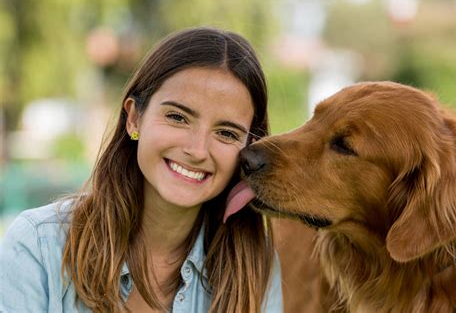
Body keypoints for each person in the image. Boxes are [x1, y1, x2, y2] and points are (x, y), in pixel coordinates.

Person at [0, 27, 282, 313]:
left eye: (226, 133)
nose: (197, 150)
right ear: (134, 117)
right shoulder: (38, 247)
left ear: (248, 148)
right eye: (177, 117)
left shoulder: (256, 267)